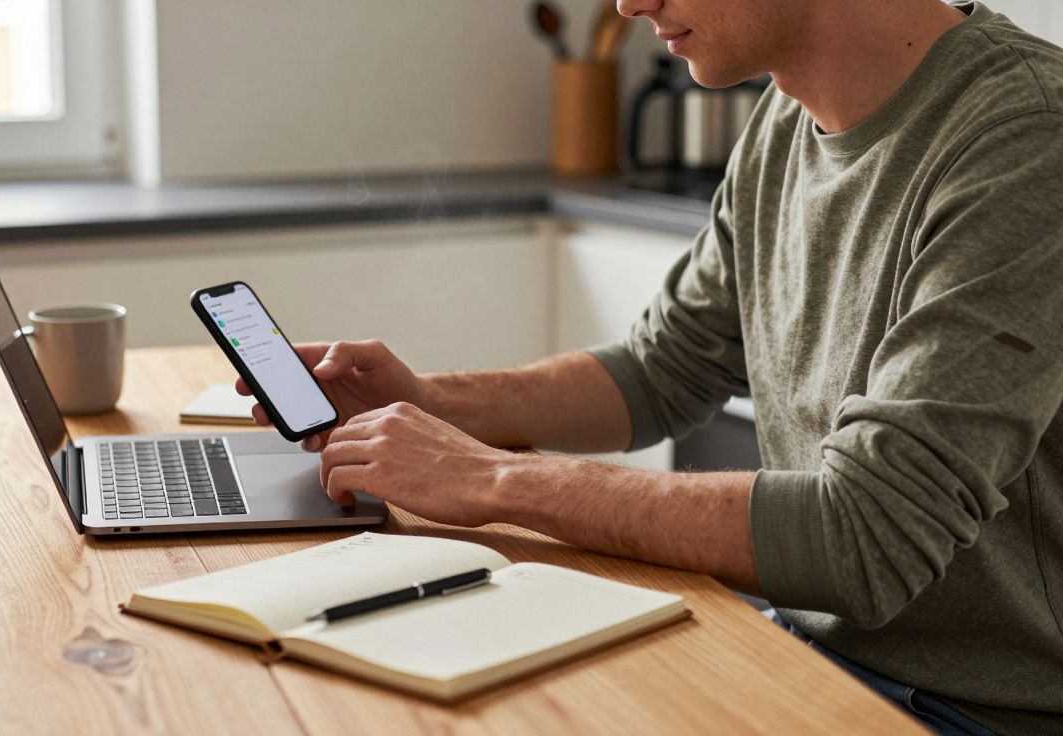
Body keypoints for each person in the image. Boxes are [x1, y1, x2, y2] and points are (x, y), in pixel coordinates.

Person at [236, 2, 1062, 733]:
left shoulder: (1027, 138)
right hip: (805, 653)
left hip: (965, 710)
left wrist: (493, 480)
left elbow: (866, 534)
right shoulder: (785, 116)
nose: (630, 4)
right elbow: (660, 370)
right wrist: (430, 402)